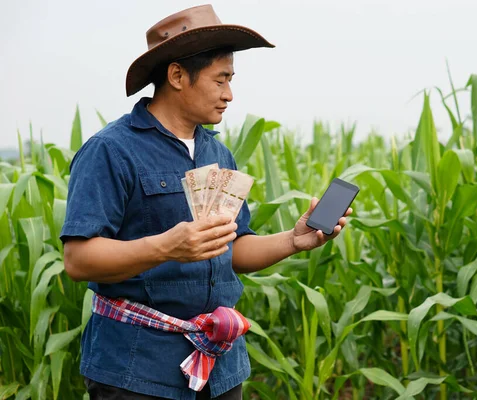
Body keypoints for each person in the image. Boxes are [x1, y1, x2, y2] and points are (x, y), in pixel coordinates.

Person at [61, 4, 351, 400]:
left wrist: (294, 239)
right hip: (136, 372)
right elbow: (78, 259)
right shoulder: (110, 151)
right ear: (177, 75)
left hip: (219, 366)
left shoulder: (218, 155)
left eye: (231, 80)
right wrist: (168, 246)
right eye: (221, 80)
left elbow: (232, 249)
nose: (229, 94)